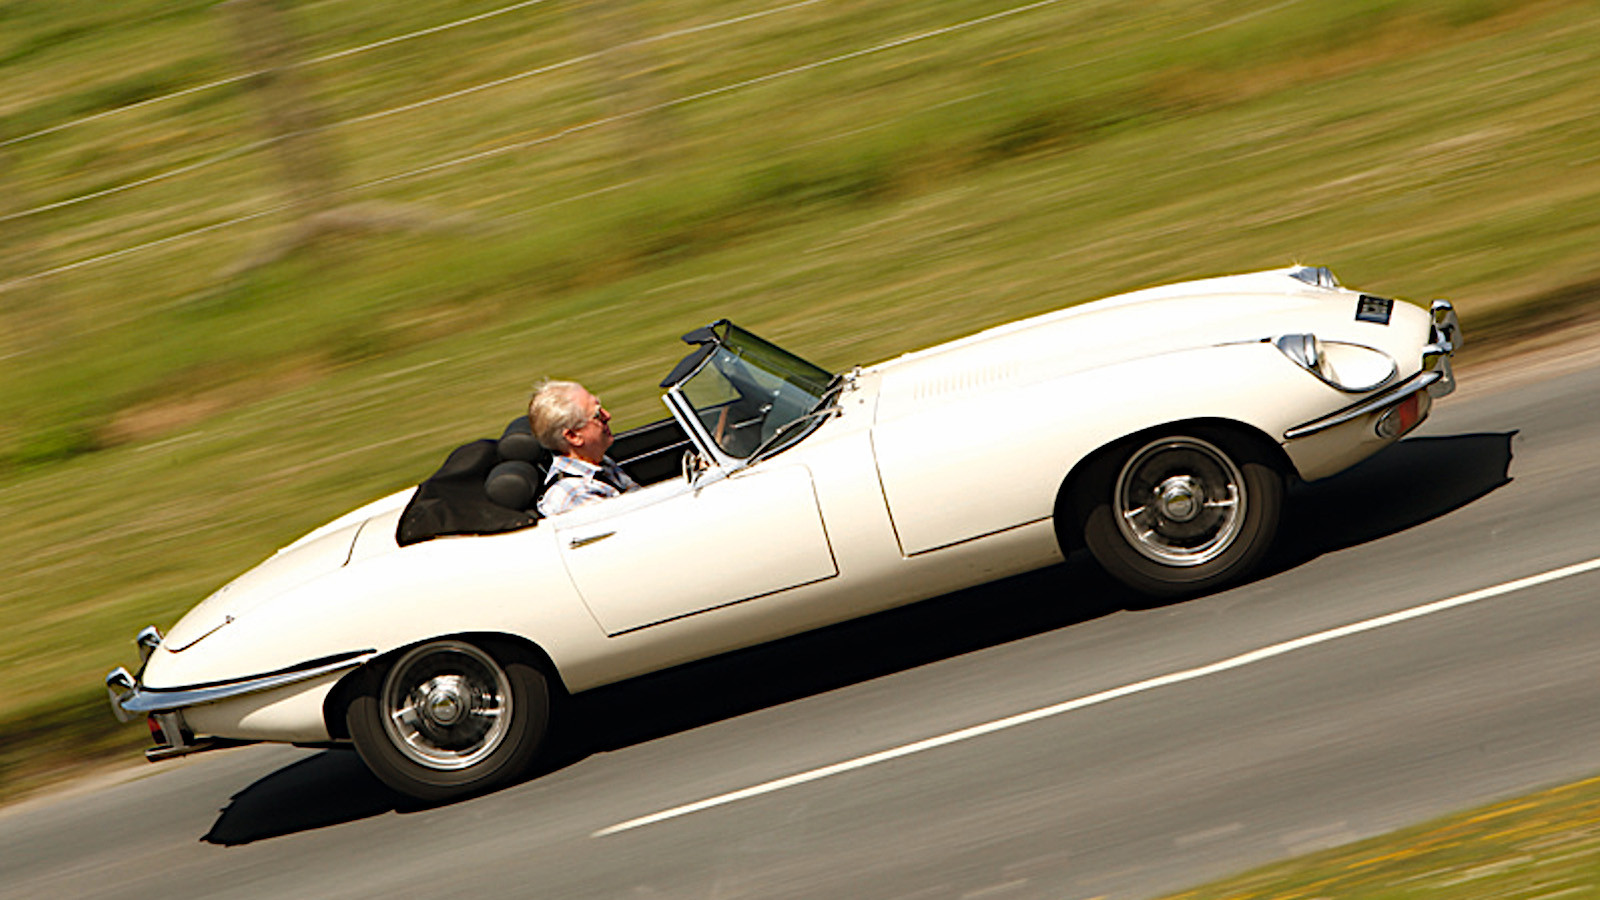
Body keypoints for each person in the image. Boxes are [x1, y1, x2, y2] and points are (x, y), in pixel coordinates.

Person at [527, 380, 640, 517]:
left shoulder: (599, 463)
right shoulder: (575, 494)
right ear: (573, 436)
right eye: (597, 415)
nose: (607, 415)